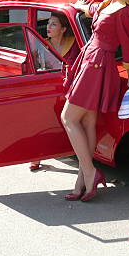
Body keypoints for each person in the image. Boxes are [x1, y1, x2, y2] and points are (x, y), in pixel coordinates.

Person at [61, 0, 129, 202]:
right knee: (87, 123)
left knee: (68, 118)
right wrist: (83, 7)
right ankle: (82, 180)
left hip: (98, 63)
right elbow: (96, 10)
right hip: (91, 59)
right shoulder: (109, 2)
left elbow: (128, 46)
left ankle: (89, 173)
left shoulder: (126, 10)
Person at [30, 12, 80, 171]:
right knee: (39, 118)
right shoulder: (41, 45)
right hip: (49, 87)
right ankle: (35, 155)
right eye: (48, 23)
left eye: (53, 24)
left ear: (63, 29)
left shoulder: (74, 44)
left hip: (70, 88)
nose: (48, 27)